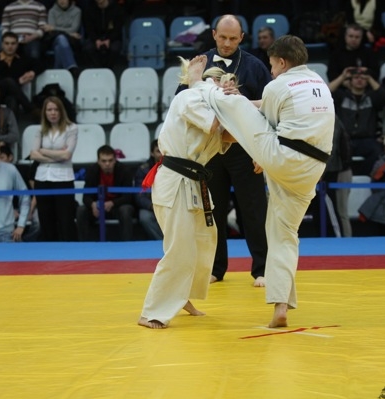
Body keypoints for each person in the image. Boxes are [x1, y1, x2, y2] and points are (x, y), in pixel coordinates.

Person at [192, 35, 335, 328]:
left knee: (235, 104)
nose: (270, 70)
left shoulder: (278, 86)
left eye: (271, 65)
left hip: (283, 156)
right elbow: (265, 113)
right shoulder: (319, 83)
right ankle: (281, 305)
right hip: (313, 168)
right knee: (284, 234)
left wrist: (232, 103)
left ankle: (202, 87)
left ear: (281, 62)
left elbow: (260, 120)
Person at [138, 60, 236, 329]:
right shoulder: (190, 97)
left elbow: (229, 135)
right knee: (179, 247)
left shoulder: (215, 107)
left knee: (204, 241)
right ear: (210, 83)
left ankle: (181, 296)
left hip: (194, 181)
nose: (226, 89)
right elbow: (215, 122)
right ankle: (152, 311)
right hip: (175, 180)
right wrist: (224, 100)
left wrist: (239, 106)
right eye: (222, 84)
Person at [178, 14, 271, 287]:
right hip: (209, 150)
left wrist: (261, 151)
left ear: (241, 37)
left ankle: (263, 269)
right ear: (213, 35)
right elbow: (181, 100)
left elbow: (270, 107)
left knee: (254, 210)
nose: (227, 43)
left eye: (233, 38)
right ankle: (215, 268)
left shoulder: (255, 66)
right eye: (223, 37)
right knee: (212, 212)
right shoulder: (198, 64)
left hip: (244, 148)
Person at [29, 96, 78, 241]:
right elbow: (33, 154)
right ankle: (49, 251)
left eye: (56, 109)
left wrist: (43, 151)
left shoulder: (72, 128)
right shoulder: (40, 129)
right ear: (45, 112)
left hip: (63, 178)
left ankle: (69, 251)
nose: (53, 113)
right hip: (42, 178)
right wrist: (57, 156)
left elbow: (67, 155)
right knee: (46, 221)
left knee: (66, 221)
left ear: (61, 111)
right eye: (49, 110)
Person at [329, 66, 385, 175]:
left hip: (367, 139)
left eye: (363, 78)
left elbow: (384, 97)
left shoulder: (371, 97)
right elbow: (325, 92)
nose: (360, 80)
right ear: (350, 81)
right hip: (345, 139)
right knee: (333, 151)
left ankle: (365, 176)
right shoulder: (342, 96)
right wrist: (343, 76)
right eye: (356, 77)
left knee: (377, 151)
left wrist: (369, 77)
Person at [76, 145, 135, 241]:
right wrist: (92, 204)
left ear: (115, 160)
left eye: (110, 160)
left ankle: (127, 244)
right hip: (98, 207)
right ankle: (84, 245)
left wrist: (112, 203)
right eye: (103, 161)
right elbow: (85, 196)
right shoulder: (92, 171)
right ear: (98, 161)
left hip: (117, 207)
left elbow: (128, 197)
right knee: (81, 210)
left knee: (126, 210)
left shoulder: (125, 171)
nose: (107, 164)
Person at [0, 32, 41, 118]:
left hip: (13, 94)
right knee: (8, 81)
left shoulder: (22, 59)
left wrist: (32, 72)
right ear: (2, 44)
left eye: (13, 43)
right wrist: (18, 81)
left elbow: (41, 64)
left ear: (17, 45)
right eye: (7, 43)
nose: (10, 46)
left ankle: (11, 125)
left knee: (13, 100)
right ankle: (31, 109)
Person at [42, 0, 82, 77]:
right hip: (54, 39)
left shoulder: (77, 11)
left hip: (72, 41)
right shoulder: (52, 11)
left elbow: (74, 29)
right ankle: (71, 68)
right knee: (61, 38)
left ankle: (57, 73)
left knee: (59, 48)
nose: (61, 1)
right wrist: (69, 33)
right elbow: (51, 31)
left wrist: (55, 28)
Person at [133, 139, 163, 240]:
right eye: (158, 151)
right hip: (151, 206)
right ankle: (161, 241)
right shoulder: (143, 170)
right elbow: (139, 195)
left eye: (164, 150)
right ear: (152, 153)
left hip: (170, 205)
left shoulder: (175, 168)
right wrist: (151, 206)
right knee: (144, 217)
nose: (162, 154)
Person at [82, 0, 124, 69]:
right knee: (88, 47)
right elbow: (89, 29)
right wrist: (96, 40)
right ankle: (99, 69)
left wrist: (109, 39)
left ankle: (109, 69)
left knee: (115, 48)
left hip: (112, 38)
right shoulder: (90, 9)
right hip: (96, 37)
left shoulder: (116, 9)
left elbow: (118, 29)